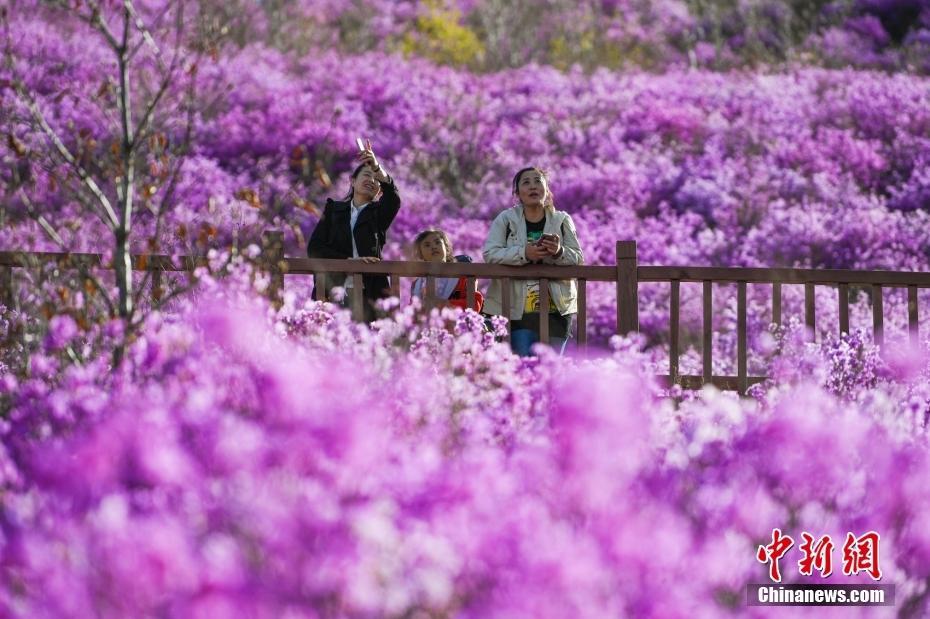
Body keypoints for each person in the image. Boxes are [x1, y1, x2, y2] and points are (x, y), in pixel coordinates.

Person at [482, 167, 583, 356]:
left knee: (551, 370)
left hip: (557, 310)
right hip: (517, 310)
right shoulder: (506, 219)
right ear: (517, 193)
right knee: (523, 366)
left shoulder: (562, 220)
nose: (533, 186)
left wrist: (558, 252)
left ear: (546, 188)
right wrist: (524, 253)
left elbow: (577, 257)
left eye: (538, 181)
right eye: (526, 182)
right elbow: (490, 253)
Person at [307, 140, 400, 321]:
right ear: (353, 180)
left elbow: (393, 199)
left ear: (379, 191)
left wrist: (376, 167)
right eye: (366, 175)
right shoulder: (333, 210)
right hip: (333, 290)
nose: (371, 180)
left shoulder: (378, 214)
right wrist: (350, 262)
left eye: (375, 179)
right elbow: (315, 248)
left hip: (371, 292)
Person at [410, 229, 484, 312]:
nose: (433, 247)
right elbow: (412, 310)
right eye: (427, 245)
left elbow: (475, 303)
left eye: (438, 242)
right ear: (421, 254)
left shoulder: (462, 277)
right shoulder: (417, 284)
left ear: (446, 248)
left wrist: (446, 304)